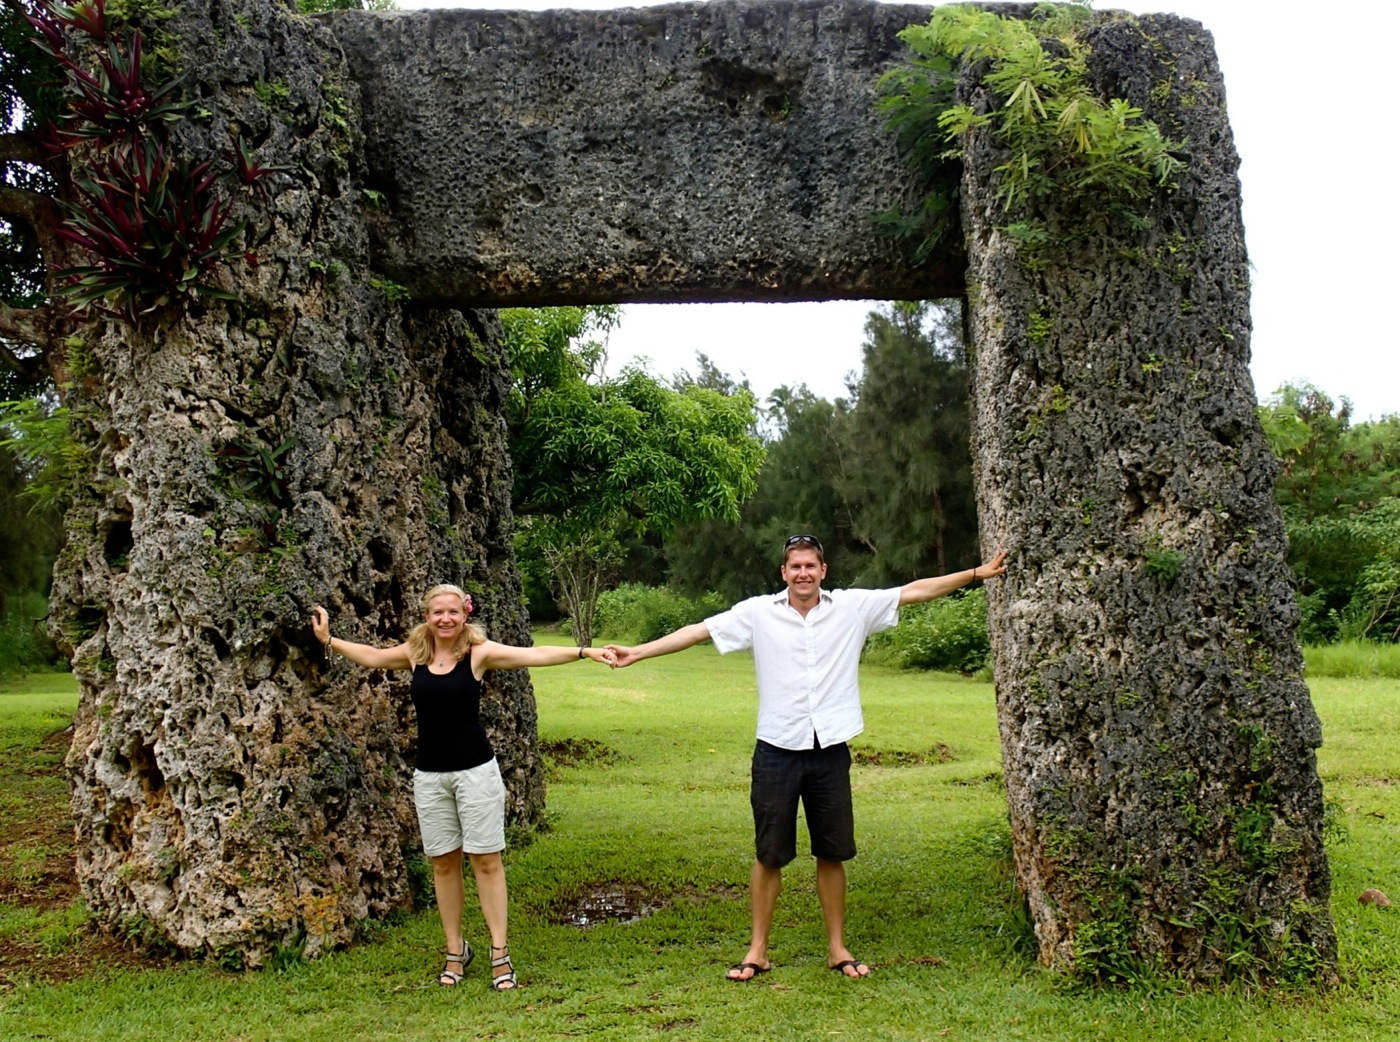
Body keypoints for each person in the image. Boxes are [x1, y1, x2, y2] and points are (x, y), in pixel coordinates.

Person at [606, 534, 1008, 982]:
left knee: (832, 853)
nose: (803, 574)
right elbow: (699, 631)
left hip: (829, 750)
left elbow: (915, 591)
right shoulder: (758, 613)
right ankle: (757, 951)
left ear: (823, 571)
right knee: (769, 855)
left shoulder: (852, 607)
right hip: (776, 749)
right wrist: (638, 652)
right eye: (795, 566)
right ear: (784, 572)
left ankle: (837, 949)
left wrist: (977, 573)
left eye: (810, 566)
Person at [311, 584, 616, 989]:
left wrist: (583, 652)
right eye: (438, 612)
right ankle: (455, 950)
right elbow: (372, 656)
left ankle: (499, 952)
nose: (445, 619)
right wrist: (328, 640)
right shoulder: (415, 653)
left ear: (464, 614)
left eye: (453, 612)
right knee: (443, 863)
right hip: (430, 777)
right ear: (426, 616)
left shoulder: (478, 653)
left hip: (476, 774)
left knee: (486, 861)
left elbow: (534, 655)